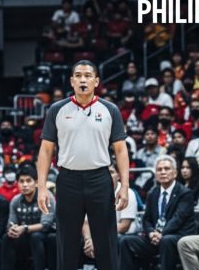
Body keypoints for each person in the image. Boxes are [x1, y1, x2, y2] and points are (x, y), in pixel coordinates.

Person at [36, 60, 129, 270]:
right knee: (66, 242)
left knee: (106, 241)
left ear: (96, 81)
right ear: (71, 81)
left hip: (100, 179)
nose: (83, 79)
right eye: (78, 75)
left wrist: (124, 185)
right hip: (68, 179)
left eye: (87, 76)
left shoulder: (110, 110)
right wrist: (41, 187)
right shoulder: (57, 110)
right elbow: (46, 150)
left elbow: (121, 150)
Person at [119, 155, 195, 270]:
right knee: (125, 241)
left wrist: (161, 233)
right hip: (156, 237)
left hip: (178, 236)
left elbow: (178, 219)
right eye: (159, 169)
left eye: (166, 169)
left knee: (166, 240)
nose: (163, 172)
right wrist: (150, 233)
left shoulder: (185, 193)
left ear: (175, 173)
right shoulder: (153, 193)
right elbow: (146, 219)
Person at [1, 165, 55, 270]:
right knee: (6, 238)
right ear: (17, 184)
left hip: (47, 234)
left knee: (36, 236)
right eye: (21, 181)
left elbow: (46, 224)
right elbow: (11, 222)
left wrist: (24, 228)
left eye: (28, 181)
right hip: (25, 234)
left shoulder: (46, 196)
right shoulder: (15, 200)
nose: (25, 185)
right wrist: (12, 229)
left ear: (36, 182)